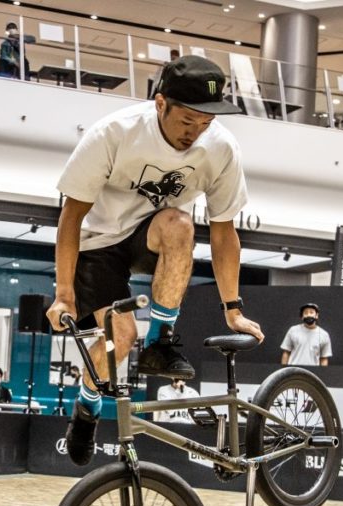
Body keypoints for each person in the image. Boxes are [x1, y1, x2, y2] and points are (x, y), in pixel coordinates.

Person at [46, 55, 263, 466]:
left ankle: (161, 342)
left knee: (181, 224)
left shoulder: (220, 148)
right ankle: (87, 406)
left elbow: (223, 232)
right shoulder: (114, 133)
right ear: (160, 103)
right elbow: (70, 216)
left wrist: (232, 308)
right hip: (99, 241)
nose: (195, 133)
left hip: (151, 235)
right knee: (121, 337)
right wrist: (64, 294)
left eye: (206, 123)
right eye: (187, 121)